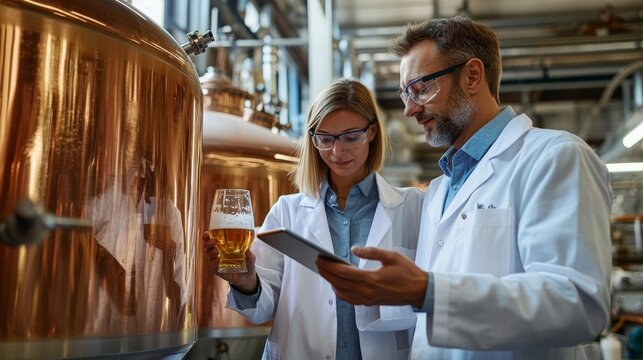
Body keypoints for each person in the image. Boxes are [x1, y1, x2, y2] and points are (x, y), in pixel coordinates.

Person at [317, 17, 612, 359]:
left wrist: (428, 290)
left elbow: (577, 303)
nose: (410, 109)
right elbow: (437, 315)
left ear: (472, 75)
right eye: (405, 93)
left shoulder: (555, 157)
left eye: (421, 88)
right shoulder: (440, 190)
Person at [203, 78, 425, 359]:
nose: (337, 151)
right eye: (325, 139)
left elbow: (428, 298)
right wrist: (245, 281)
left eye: (350, 137)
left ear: (372, 133)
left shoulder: (413, 208)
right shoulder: (287, 211)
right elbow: (262, 309)